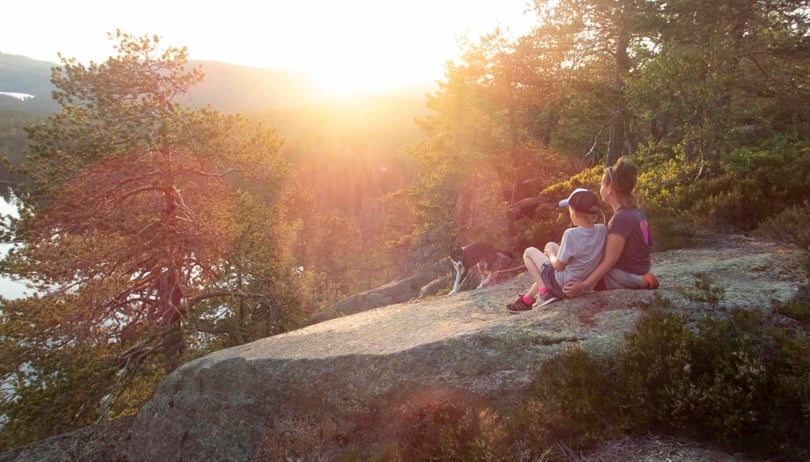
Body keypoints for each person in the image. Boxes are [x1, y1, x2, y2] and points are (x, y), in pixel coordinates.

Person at [563, 157, 659, 298]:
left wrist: (583, 286)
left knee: (578, 273)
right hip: (641, 268)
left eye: (602, 184)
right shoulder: (637, 212)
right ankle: (640, 278)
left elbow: (610, 261)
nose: (600, 188)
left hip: (622, 275)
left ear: (610, 190)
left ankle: (639, 281)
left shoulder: (620, 219)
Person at [507, 188, 607, 312]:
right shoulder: (602, 230)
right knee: (552, 244)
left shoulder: (570, 234)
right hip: (583, 285)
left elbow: (558, 267)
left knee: (529, 252)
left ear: (574, 213)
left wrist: (550, 255)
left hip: (563, 286)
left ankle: (544, 293)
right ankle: (528, 299)